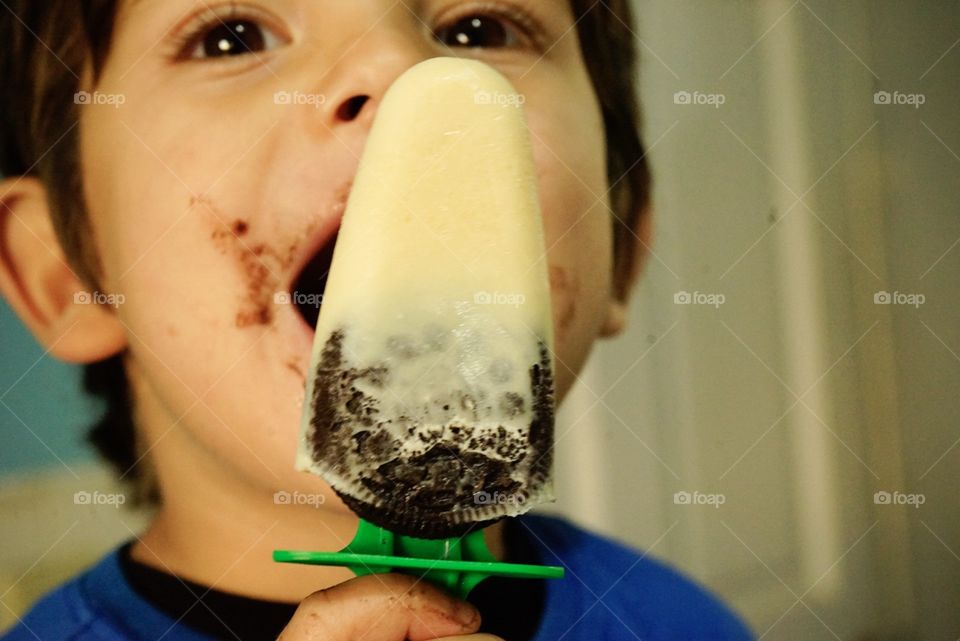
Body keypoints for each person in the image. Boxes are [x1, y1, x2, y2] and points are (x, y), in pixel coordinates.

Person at [0, 1, 753, 639]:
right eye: (233, 36)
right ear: (66, 274)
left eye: (480, 27)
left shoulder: (680, 620)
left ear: (618, 247)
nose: (398, 70)